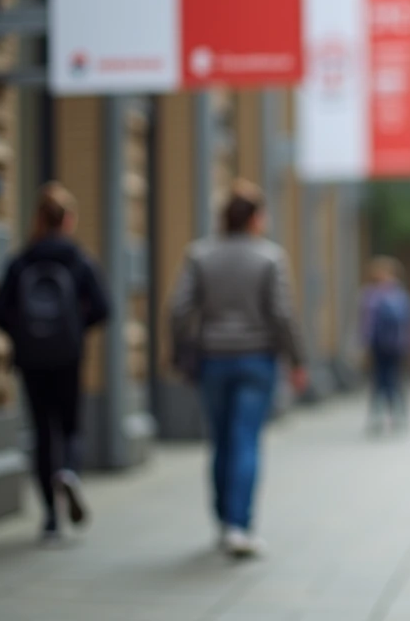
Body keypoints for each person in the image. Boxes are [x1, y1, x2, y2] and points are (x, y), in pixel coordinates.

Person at [169, 179, 307, 559]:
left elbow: (179, 309)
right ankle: (239, 525)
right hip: (256, 359)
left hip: (213, 358)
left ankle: (221, 520)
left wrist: (181, 350)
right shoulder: (270, 258)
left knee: (220, 441)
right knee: (246, 439)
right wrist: (296, 359)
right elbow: (281, 314)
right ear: (257, 218)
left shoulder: (199, 255)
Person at [0, 182, 110, 542]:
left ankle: (50, 519)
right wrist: (75, 329)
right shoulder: (79, 259)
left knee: (43, 432)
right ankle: (70, 473)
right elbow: (103, 309)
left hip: (32, 360)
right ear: (69, 220)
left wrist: (25, 335)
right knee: (70, 426)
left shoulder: (22, 260)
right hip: (68, 356)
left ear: (39, 219)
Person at [361, 256, 410, 433]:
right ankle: (382, 415)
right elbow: (366, 323)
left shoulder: (384, 295)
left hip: (392, 345)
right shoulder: (380, 295)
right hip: (382, 345)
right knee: (381, 380)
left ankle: (395, 414)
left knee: (392, 379)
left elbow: (409, 321)